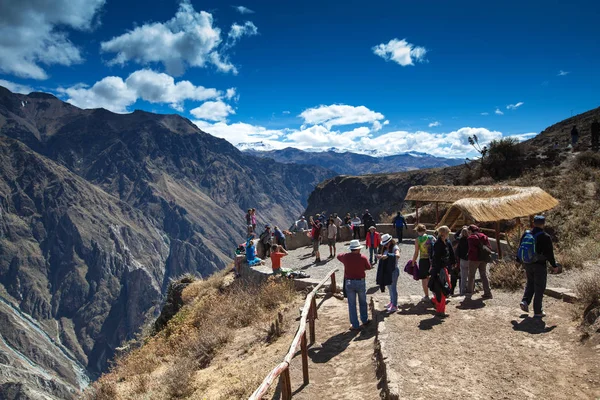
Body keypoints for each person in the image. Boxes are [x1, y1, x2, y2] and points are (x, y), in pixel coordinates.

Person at [517, 216, 560, 318]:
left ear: (534, 223)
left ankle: (525, 301)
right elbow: (549, 254)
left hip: (527, 263)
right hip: (539, 265)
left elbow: (520, 248)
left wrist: (518, 260)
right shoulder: (545, 236)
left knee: (530, 283)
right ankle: (538, 311)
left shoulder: (526, 234)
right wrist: (554, 266)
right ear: (543, 224)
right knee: (539, 287)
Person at [337, 240, 372, 330]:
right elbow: (369, 267)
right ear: (359, 249)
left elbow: (338, 256)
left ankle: (354, 324)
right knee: (362, 302)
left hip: (349, 282)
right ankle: (364, 320)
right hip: (360, 281)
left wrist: (347, 255)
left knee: (352, 304)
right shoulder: (363, 258)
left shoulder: (346, 257)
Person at [429, 226, 454, 317]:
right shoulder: (439, 244)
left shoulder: (442, 242)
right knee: (443, 289)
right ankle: (440, 311)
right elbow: (437, 258)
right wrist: (438, 271)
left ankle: (435, 301)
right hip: (440, 269)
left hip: (442, 268)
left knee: (443, 288)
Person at [466, 225, 493, 300]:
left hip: (474, 259)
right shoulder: (484, 236)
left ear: (471, 231)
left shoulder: (471, 238)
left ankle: (469, 293)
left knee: (471, 276)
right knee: (483, 275)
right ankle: (488, 292)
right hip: (483, 258)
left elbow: (472, 249)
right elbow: (489, 247)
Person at [376, 234, 400, 312]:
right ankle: (392, 302)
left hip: (393, 270)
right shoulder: (387, 248)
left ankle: (395, 305)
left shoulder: (395, 247)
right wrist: (381, 256)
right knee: (389, 287)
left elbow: (397, 255)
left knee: (393, 288)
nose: (385, 246)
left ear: (390, 242)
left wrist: (388, 256)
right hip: (388, 270)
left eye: (386, 244)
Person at [412, 224, 435, 301]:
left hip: (423, 259)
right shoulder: (431, 238)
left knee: (424, 279)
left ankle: (426, 296)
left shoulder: (418, 240)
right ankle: (435, 294)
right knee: (431, 277)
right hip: (431, 260)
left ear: (418, 231)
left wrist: (413, 261)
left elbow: (416, 252)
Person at [454, 226, 470, 296]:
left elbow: (455, 235)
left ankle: (462, 291)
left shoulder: (460, 240)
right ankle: (470, 289)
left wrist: (461, 228)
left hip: (462, 259)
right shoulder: (470, 240)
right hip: (470, 259)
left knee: (463, 276)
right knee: (471, 276)